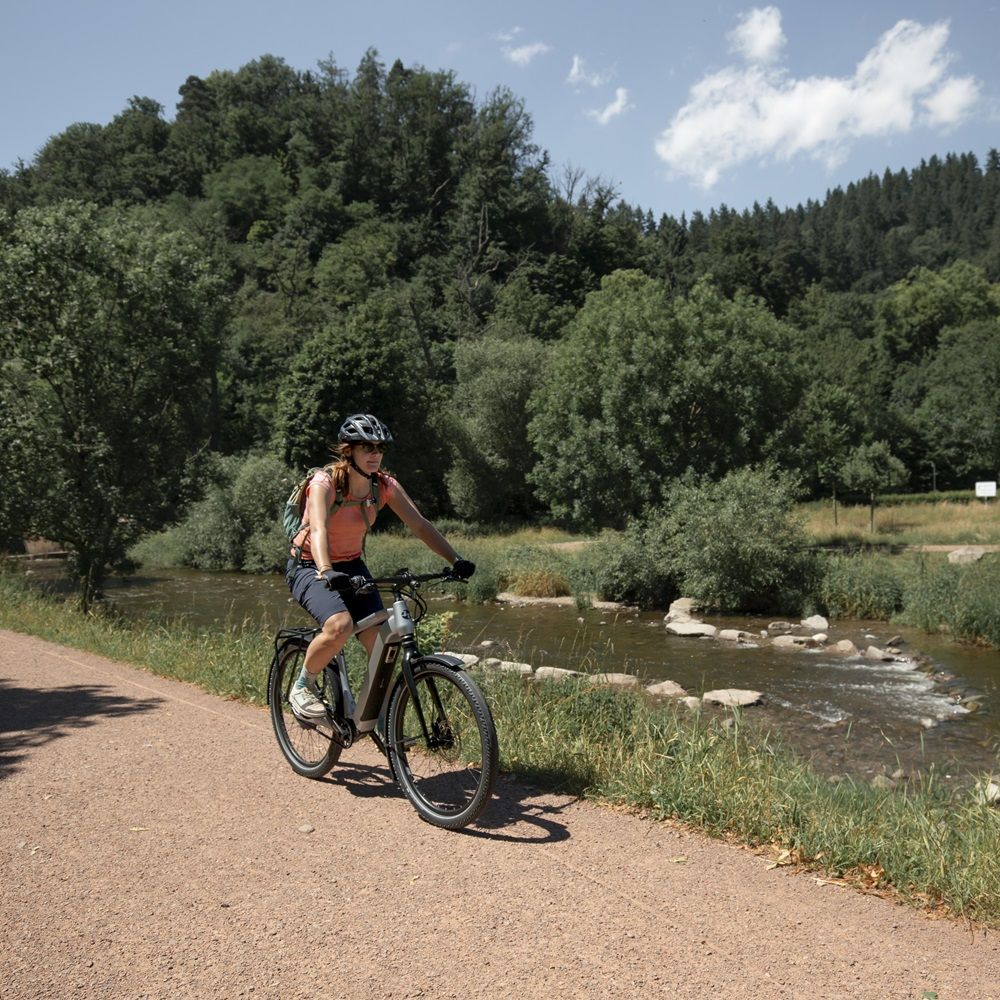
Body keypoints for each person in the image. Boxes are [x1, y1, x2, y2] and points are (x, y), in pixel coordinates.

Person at [286, 413, 475, 719]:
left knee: (382, 646)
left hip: (351, 565)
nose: (375, 454)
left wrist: (455, 559)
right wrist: (325, 569)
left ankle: (376, 717)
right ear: (350, 451)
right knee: (340, 626)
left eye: (379, 448)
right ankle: (302, 686)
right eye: (367, 448)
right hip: (309, 564)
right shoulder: (324, 484)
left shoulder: (383, 486)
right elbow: (319, 529)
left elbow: (420, 525)